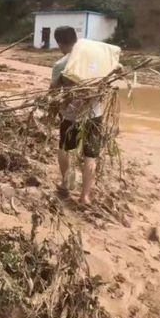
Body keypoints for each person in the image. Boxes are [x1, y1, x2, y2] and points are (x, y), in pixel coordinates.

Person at [50, 26, 103, 205]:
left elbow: (54, 94)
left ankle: (67, 184)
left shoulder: (61, 65)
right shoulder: (94, 60)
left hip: (71, 116)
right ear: (76, 39)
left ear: (59, 43)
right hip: (94, 115)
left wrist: (52, 111)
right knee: (91, 155)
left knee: (65, 148)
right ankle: (85, 196)